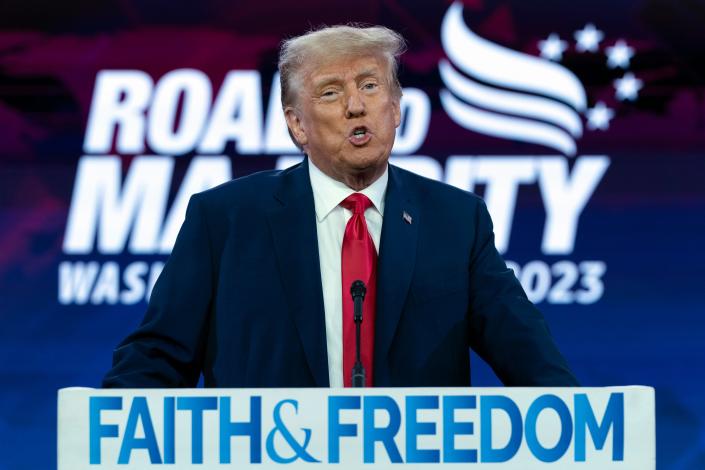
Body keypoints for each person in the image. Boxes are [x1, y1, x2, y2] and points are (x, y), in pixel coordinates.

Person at [103, 25, 578, 388]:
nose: (356, 106)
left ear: (396, 109)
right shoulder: (224, 220)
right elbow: (159, 356)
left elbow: (528, 353)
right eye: (330, 92)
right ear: (297, 126)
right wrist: (103, 432)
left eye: (371, 87)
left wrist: (584, 425)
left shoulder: (456, 221)